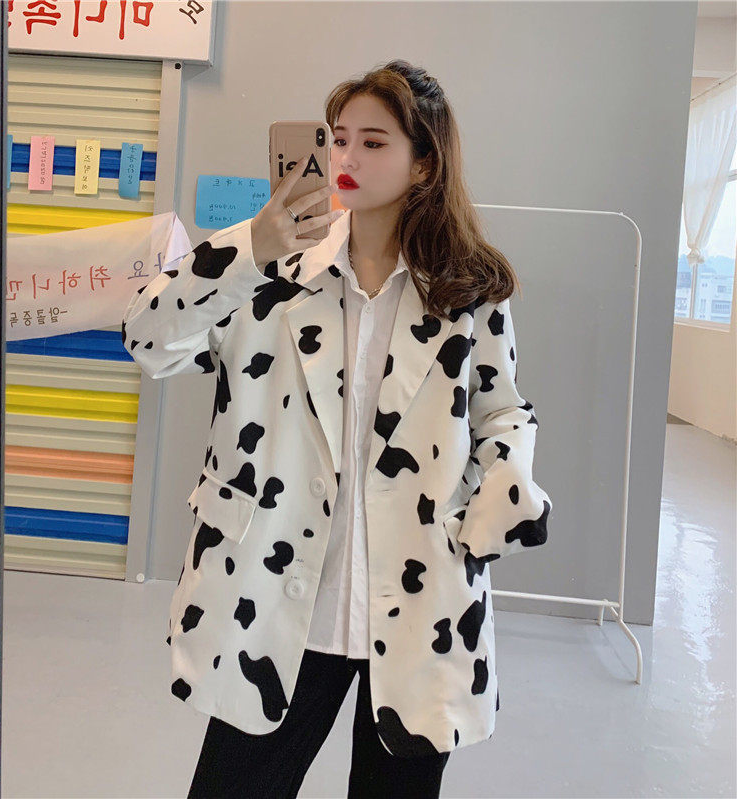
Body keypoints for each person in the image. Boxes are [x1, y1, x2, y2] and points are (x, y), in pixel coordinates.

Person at [123, 59, 551, 799]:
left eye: (373, 142)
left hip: (417, 600)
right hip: (277, 597)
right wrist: (250, 246)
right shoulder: (268, 272)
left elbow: (502, 408)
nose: (346, 157)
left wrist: (505, 480)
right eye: (338, 138)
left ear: (424, 163)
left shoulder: (469, 289)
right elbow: (147, 338)